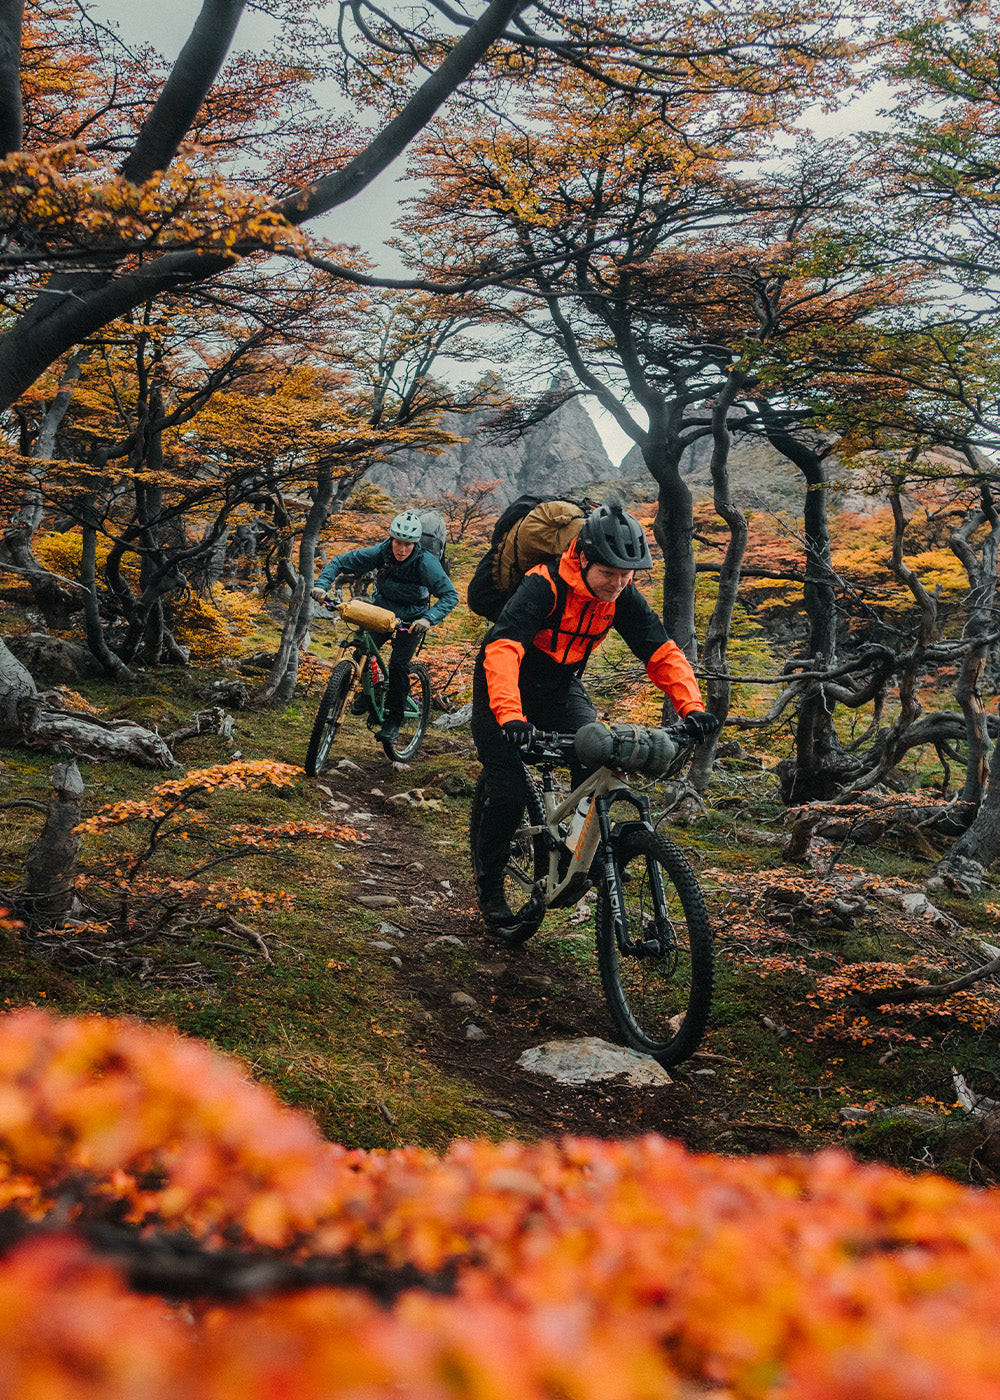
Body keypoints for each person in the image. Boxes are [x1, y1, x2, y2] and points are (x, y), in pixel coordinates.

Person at [471, 501, 719, 927]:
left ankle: (578, 855)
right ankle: (490, 885)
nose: (618, 583)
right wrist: (511, 718)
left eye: (627, 575)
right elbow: (504, 650)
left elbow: (660, 651)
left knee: (598, 751)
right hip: (504, 685)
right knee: (508, 790)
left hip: (560, 685)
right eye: (609, 573)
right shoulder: (543, 584)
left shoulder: (620, 594)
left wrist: (692, 708)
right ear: (582, 558)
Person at [312, 510, 458, 745]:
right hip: (383, 611)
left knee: (399, 664)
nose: (401, 549)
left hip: (413, 619)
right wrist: (321, 585)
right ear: (391, 539)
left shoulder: (425, 562)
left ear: (416, 543)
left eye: (408, 545)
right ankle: (370, 694)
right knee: (361, 649)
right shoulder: (383, 552)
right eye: (398, 543)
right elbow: (340, 561)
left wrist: (428, 619)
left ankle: (393, 722)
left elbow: (450, 595)